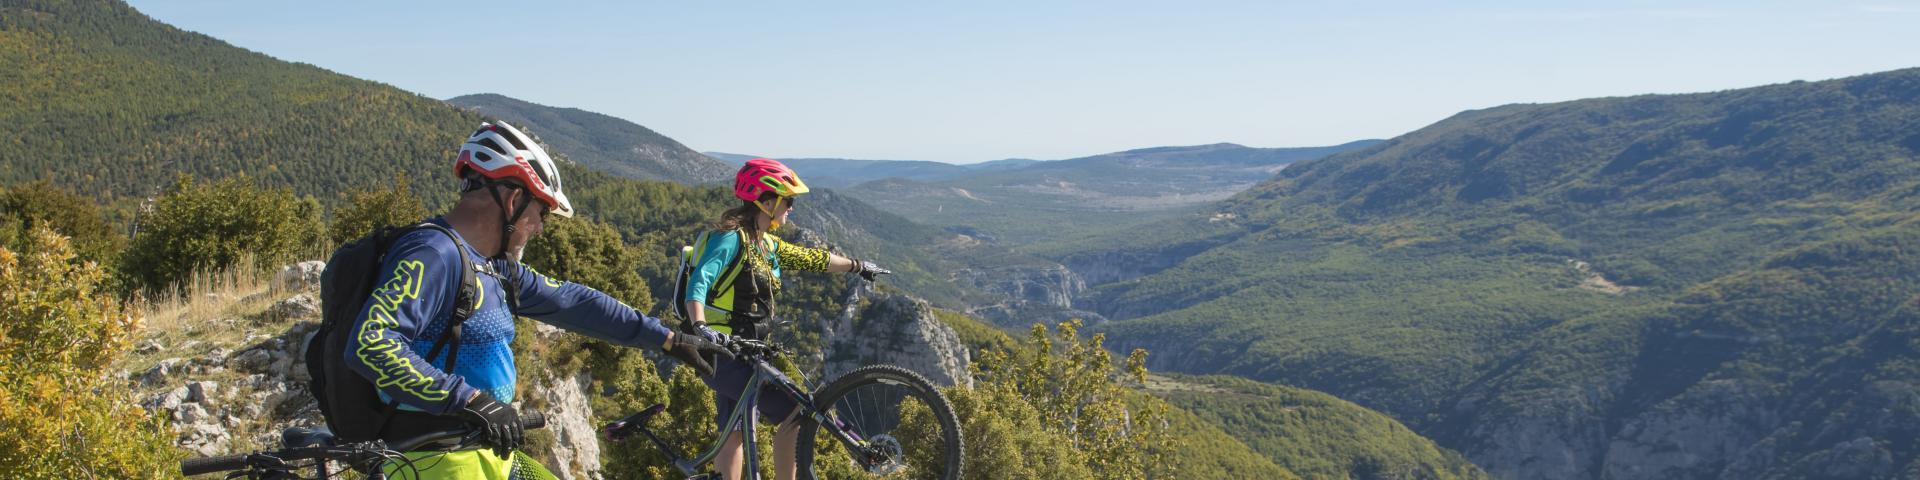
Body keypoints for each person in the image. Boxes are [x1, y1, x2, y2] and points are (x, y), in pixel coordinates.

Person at [343, 121, 730, 479]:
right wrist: (469, 399)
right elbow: (370, 342)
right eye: (541, 212)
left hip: (484, 449)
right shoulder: (434, 253)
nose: (542, 228)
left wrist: (665, 338)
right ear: (512, 200)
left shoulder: (493, 266)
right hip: (433, 459)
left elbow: (573, 302)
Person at [683, 158, 891, 480]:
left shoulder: (766, 244)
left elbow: (813, 258)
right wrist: (700, 327)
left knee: (734, 433)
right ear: (766, 202)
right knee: (799, 414)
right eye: (787, 200)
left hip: (742, 351)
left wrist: (857, 265)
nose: (791, 207)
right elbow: (699, 283)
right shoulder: (731, 239)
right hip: (719, 351)